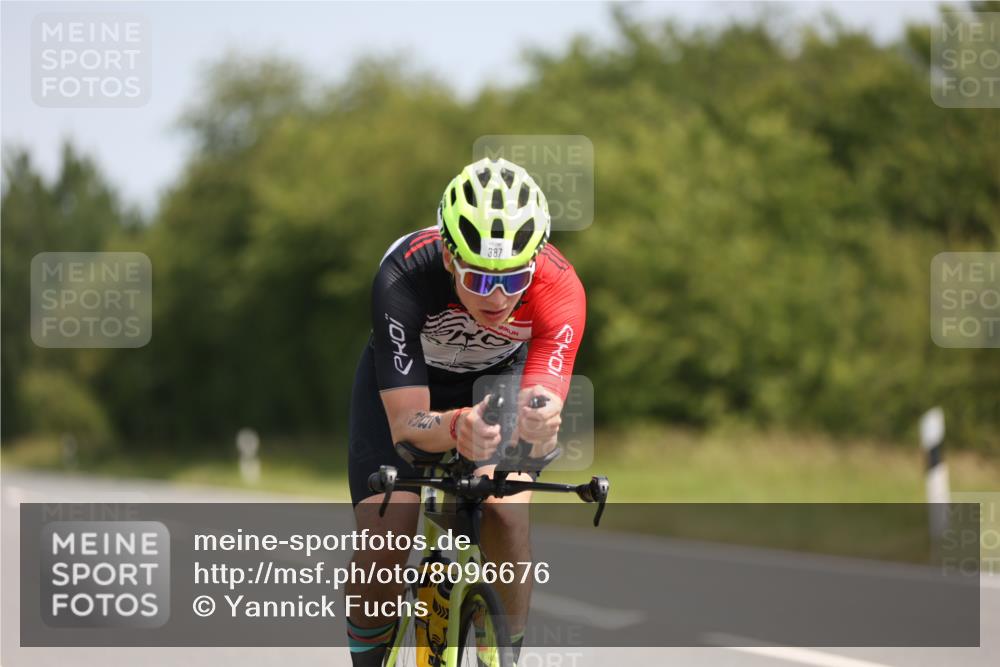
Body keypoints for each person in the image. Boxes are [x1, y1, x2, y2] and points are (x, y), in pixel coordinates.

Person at [346, 157, 585, 666]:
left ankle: (501, 657)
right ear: (449, 258)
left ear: (534, 263)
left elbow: (544, 400)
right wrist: (456, 425)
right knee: (389, 528)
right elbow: (406, 424)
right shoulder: (404, 272)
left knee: (506, 511)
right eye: (478, 280)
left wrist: (540, 421)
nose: (497, 298)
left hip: (495, 383)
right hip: (408, 384)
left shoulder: (559, 287)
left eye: (513, 280)